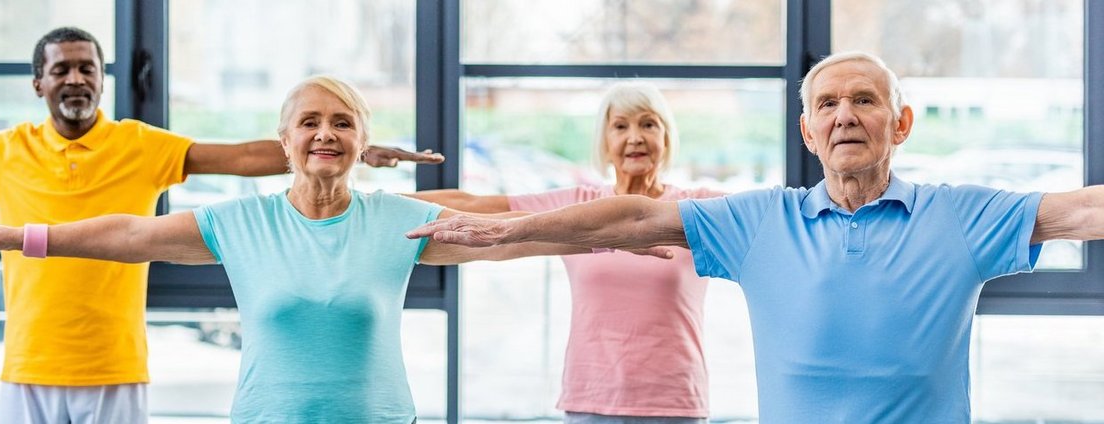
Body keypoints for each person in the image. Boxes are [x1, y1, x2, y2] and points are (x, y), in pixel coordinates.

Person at [407, 51, 1104, 423]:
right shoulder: (763, 218)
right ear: (806, 131)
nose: (844, 116)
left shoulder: (961, 216)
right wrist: (510, 228)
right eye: (826, 104)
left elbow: (1080, 211)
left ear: (902, 123)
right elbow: (628, 217)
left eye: (865, 100)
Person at [0, 75, 670, 423]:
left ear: (359, 140)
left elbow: (515, 233)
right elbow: (130, 234)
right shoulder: (244, 222)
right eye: (311, 122)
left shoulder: (395, 219)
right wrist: (22, 236)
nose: (326, 134)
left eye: (343, 123)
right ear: (284, 140)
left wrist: (618, 229)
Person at [0, 27, 442, 423]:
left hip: (116, 366)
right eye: (62, 69)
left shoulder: (140, 144)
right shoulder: (1, 149)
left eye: (88, 69)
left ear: (103, 79)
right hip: (26, 364)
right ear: (38, 82)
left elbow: (239, 156)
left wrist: (347, 147)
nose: (76, 79)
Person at [409, 82, 720, 424]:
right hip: (591, 398)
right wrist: (366, 202)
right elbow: (476, 205)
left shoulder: (696, 205)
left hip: (674, 401)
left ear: (666, 137)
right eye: (620, 126)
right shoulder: (579, 206)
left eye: (648, 124)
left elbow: (764, 216)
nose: (635, 137)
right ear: (604, 141)